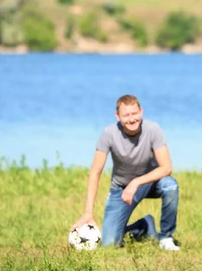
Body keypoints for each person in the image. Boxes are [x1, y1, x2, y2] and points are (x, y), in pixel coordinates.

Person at [71, 94, 180, 251]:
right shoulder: (108, 134)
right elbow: (95, 172)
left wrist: (136, 182)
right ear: (118, 116)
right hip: (121, 188)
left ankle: (166, 237)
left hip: (150, 184)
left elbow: (166, 168)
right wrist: (88, 212)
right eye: (126, 115)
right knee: (109, 244)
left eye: (134, 114)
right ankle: (144, 226)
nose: (131, 119)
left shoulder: (153, 130)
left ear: (141, 112)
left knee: (170, 185)